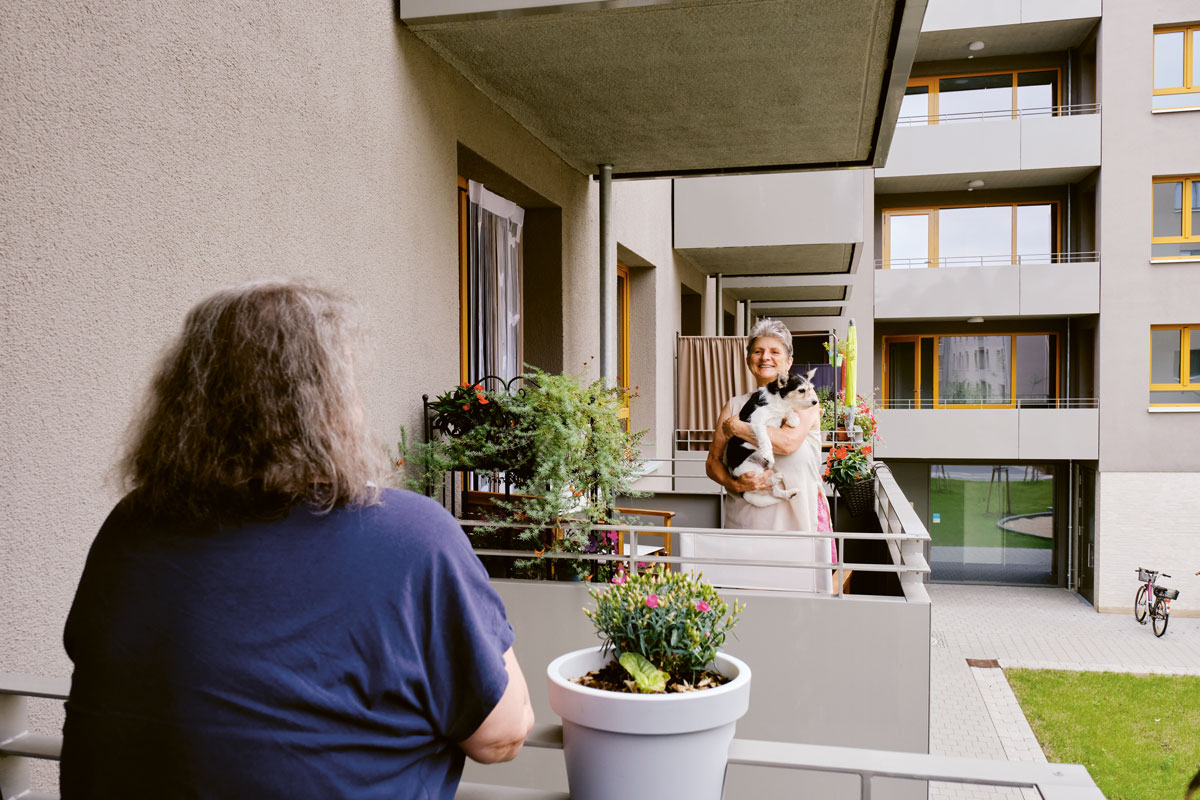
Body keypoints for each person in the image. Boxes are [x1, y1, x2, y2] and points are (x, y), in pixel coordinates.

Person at [61, 280, 533, 799]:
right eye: (346, 386)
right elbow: (501, 733)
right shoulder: (412, 539)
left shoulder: (131, 526)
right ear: (324, 409)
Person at [704, 318, 833, 593]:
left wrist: (739, 428)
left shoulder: (804, 397)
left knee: (796, 603)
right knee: (744, 603)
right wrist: (735, 484)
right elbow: (712, 462)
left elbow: (787, 443)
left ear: (788, 362)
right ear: (749, 358)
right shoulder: (734, 405)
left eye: (775, 352)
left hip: (795, 523)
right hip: (745, 522)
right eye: (758, 351)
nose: (765, 357)